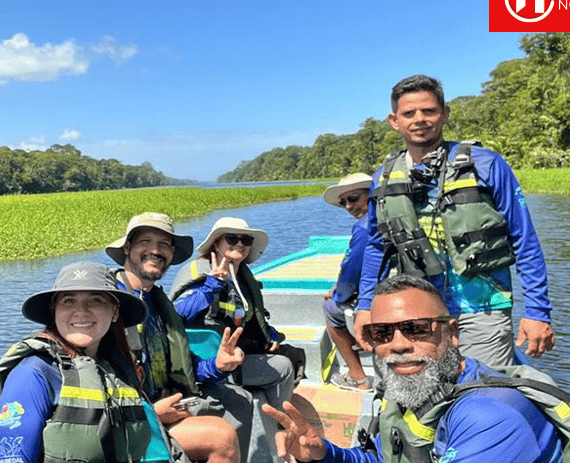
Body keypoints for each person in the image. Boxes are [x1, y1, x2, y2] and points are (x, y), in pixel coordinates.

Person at [263, 274, 570, 463]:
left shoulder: (489, 417)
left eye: (417, 328)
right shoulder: (414, 387)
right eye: (382, 333)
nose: (399, 344)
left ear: (453, 333)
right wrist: (325, 454)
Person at [354, 74, 555, 368]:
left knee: (483, 393)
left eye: (429, 111)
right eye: (409, 113)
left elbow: (524, 240)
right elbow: (375, 247)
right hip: (417, 313)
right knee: (423, 399)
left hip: (482, 308)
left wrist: (538, 311)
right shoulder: (382, 178)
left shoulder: (487, 165)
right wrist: (364, 306)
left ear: (444, 114)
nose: (419, 119)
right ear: (394, 121)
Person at [0, 261, 186, 463]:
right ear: (54, 311)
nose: (81, 310)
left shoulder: (118, 370)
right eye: (68, 301)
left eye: (95, 300)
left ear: (115, 312)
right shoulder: (32, 374)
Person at [106, 212, 245, 463]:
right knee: (220, 436)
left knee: (237, 405)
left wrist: (219, 365)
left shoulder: (160, 306)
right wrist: (153, 413)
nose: (155, 250)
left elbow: (187, 369)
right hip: (129, 422)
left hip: (168, 406)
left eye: (164, 245)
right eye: (145, 242)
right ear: (128, 247)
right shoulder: (109, 304)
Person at [170, 217, 297, 411]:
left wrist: (269, 335)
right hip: (205, 361)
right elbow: (177, 314)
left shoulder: (243, 278)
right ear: (216, 243)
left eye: (246, 240)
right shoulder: (198, 271)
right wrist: (211, 286)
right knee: (284, 368)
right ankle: (281, 422)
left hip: (236, 353)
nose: (239, 244)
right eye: (231, 238)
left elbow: (251, 317)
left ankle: (277, 418)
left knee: (291, 358)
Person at [320, 173, 373, 390]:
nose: (349, 206)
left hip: (376, 296)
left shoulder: (364, 227)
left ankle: (357, 377)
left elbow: (352, 271)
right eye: (344, 203)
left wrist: (339, 294)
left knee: (331, 308)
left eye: (354, 198)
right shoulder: (393, 217)